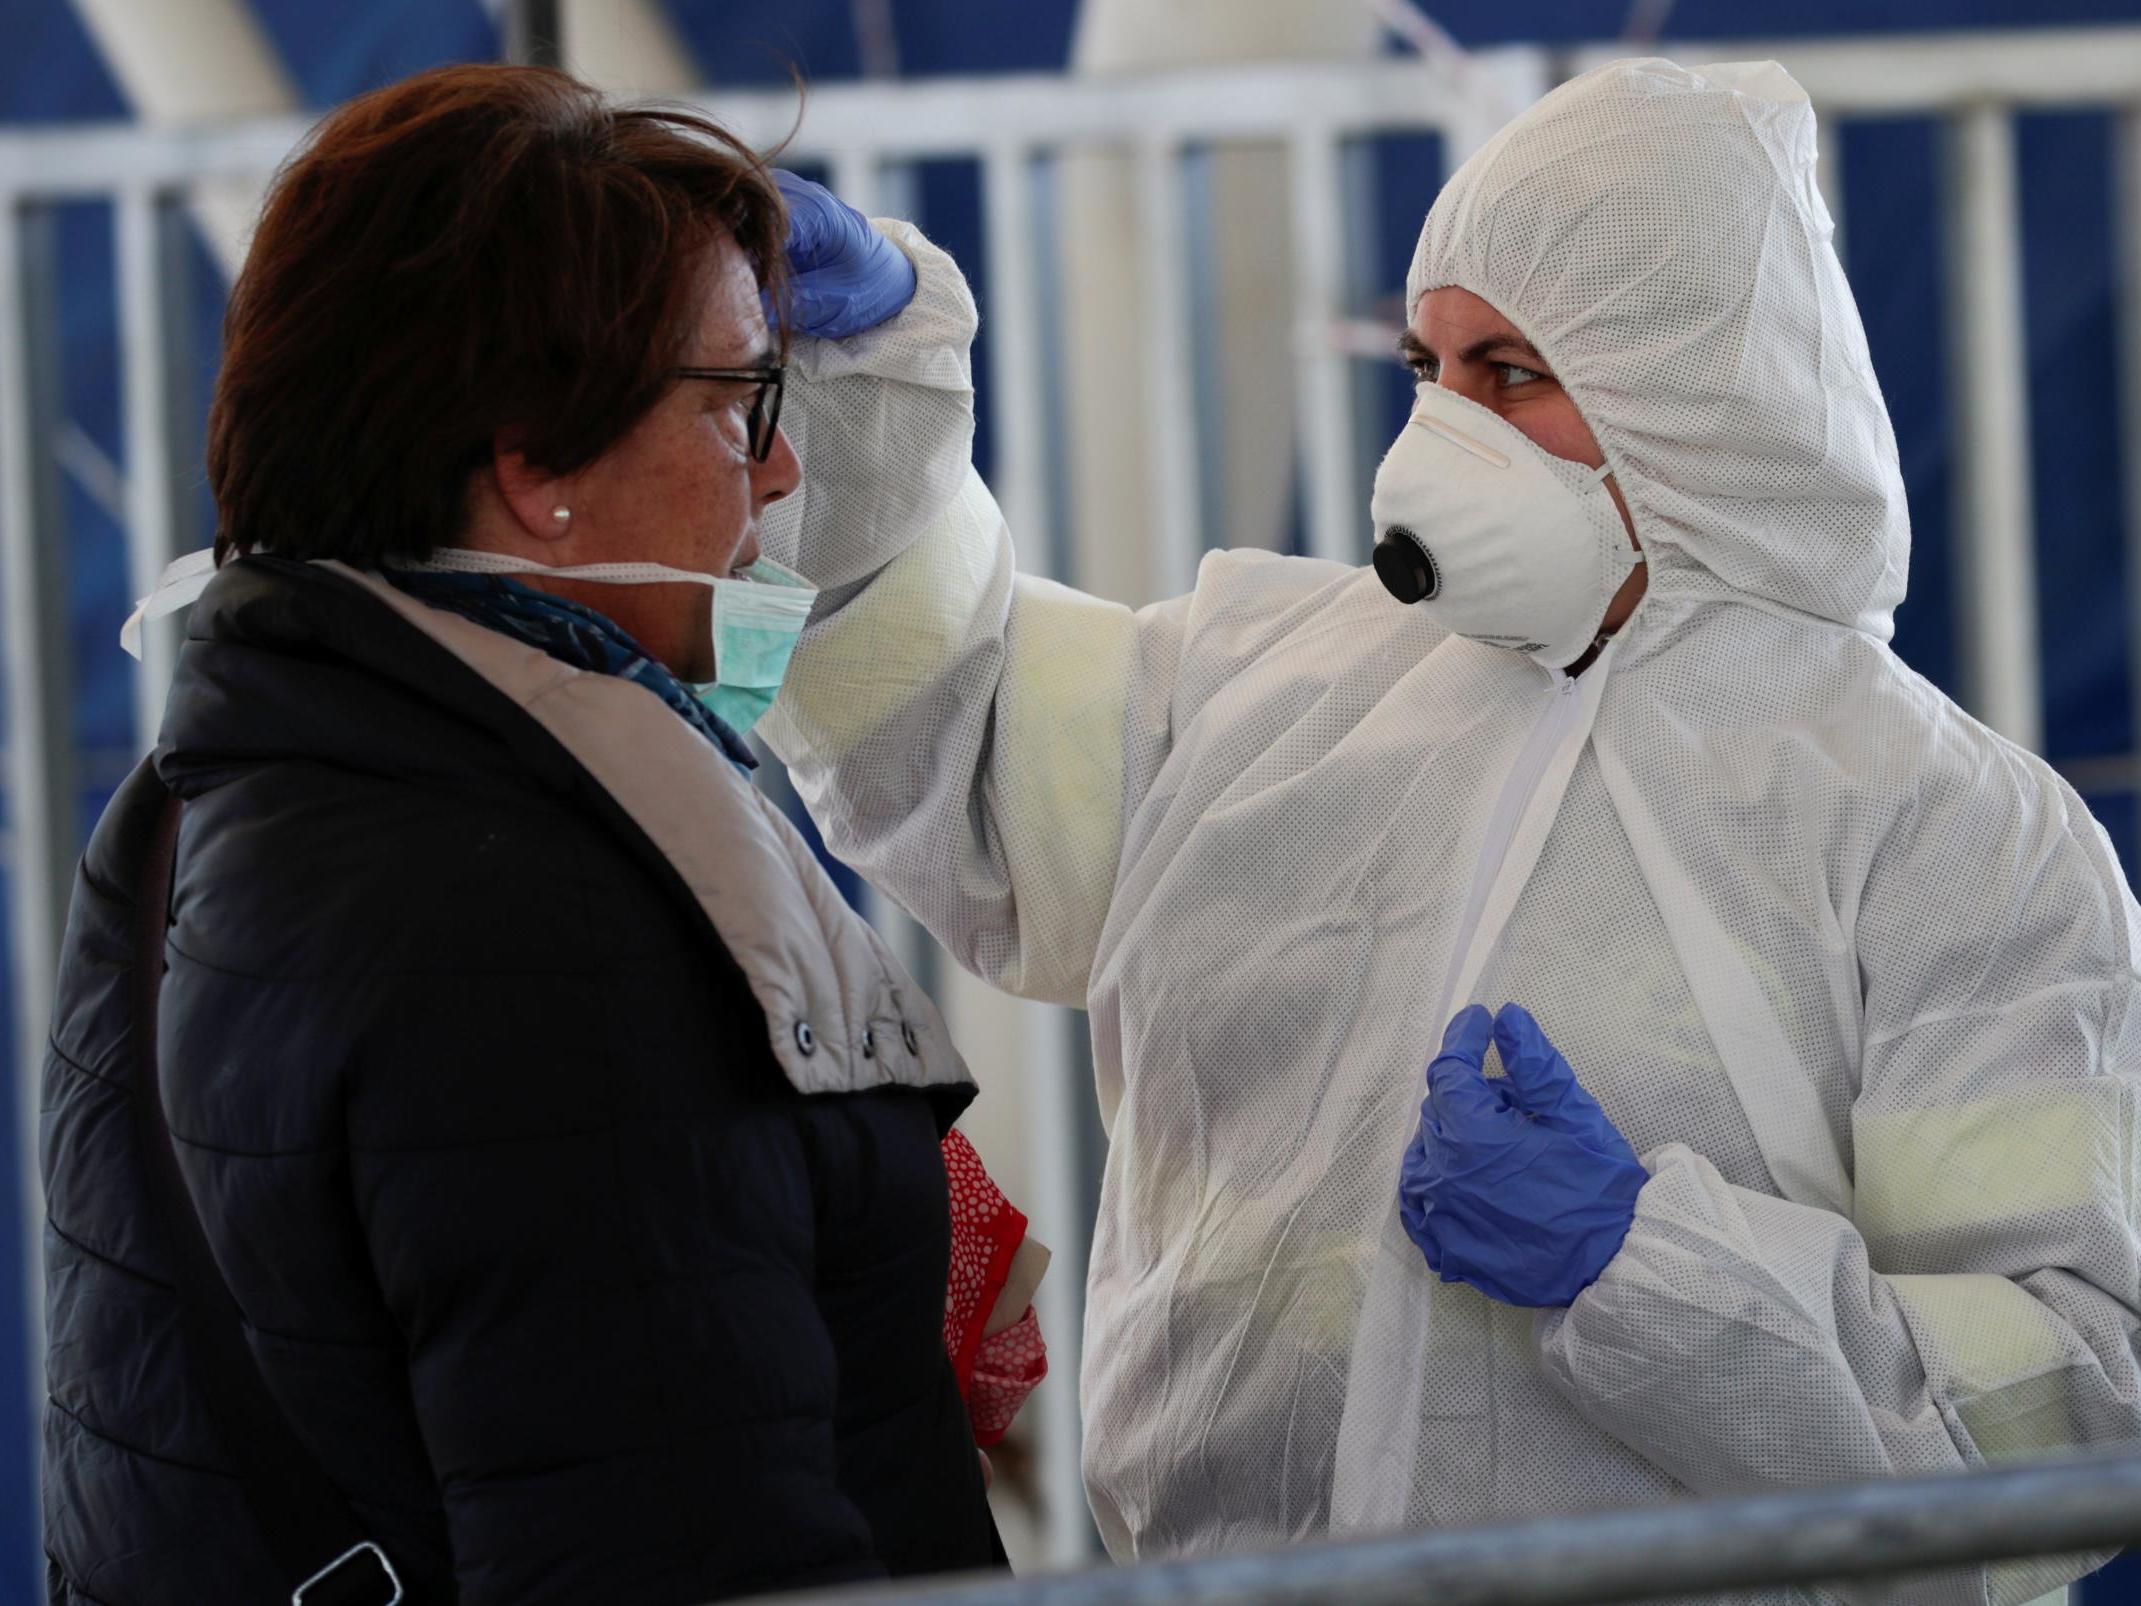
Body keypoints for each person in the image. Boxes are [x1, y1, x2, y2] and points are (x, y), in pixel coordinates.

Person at [753, 56, 2141, 1598]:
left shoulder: (1952, 835)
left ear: (1684, 396)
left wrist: (1646, 1270)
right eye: (1424, 364)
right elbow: (932, 712)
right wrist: (860, 389)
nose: (1436, 432)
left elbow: (2072, 1403)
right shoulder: (1258, 678)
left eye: (1509, 373)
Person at [41, 64, 1012, 1604]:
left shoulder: (218, 792)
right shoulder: (542, 924)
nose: (779, 469)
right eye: (738, 401)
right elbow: (683, 1542)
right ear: (534, 466)